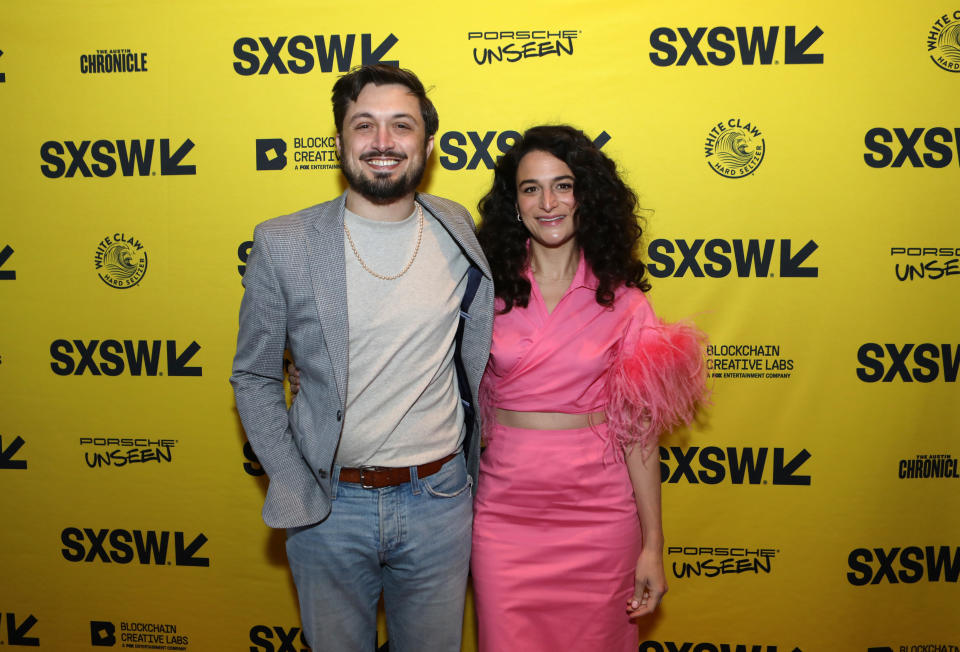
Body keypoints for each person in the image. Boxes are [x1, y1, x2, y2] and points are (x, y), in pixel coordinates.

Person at [230, 64, 493, 652]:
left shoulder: (456, 225)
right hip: (329, 508)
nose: (382, 143)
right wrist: (294, 482)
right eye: (364, 125)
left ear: (427, 143)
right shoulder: (284, 243)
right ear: (340, 141)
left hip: (440, 499)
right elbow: (252, 374)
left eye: (401, 125)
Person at [470, 125, 708, 651]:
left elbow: (640, 433)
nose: (548, 202)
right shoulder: (483, 291)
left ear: (586, 197)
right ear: (514, 203)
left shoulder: (625, 302)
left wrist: (653, 545)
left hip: (599, 519)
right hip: (505, 517)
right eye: (531, 188)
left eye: (564, 185)